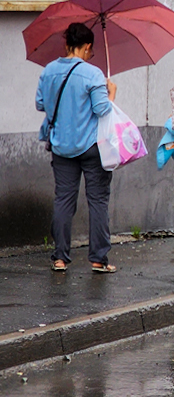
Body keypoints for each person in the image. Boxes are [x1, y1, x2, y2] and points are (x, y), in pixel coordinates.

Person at [35, 22, 118, 273]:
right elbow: (102, 109)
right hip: (91, 147)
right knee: (98, 201)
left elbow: (41, 104)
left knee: (63, 200)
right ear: (87, 47)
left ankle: (59, 258)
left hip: (61, 146)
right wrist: (111, 93)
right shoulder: (92, 74)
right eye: (91, 52)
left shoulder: (48, 71)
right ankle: (98, 259)